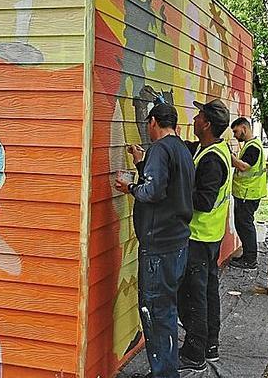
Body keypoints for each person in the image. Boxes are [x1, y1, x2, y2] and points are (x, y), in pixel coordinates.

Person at [114, 103, 195, 378]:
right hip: (177, 244)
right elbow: (168, 185)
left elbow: (153, 191)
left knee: (156, 314)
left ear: (153, 122)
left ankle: (163, 373)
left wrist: (129, 187)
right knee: (166, 311)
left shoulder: (160, 149)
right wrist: (141, 163)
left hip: (159, 247)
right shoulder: (182, 148)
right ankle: (166, 369)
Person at [178, 99, 233, 372]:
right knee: (209, 291)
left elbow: (204, 201)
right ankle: (210, 345)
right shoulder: (211, 149)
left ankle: (194, 354)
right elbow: (191, 149)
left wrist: (175, 191)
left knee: (193, 296)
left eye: (199, 115)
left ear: (207, 124)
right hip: (210, 236)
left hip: (199, 238)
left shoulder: (212, 160)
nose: (195, 118)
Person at [228, 117, 266, 270]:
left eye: (236, 131)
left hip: (248, 194)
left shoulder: (253, 147)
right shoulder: (250, 145)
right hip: (246, 193)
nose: (235, 135)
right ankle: (247, 256)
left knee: (245, 226)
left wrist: (229, 155)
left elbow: (243, 167)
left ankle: (250, 259)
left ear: (244, 128)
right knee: (242, 225)